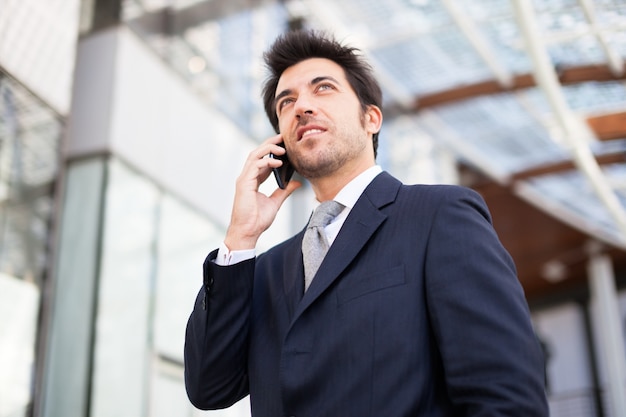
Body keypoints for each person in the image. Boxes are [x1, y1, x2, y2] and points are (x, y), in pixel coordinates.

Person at [184, 29, 549, 417]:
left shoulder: (439, 216)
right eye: (285, 101)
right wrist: (240, 238)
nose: (301, 106)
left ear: (371, 118)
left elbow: (506, 401)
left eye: (322, 88)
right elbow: (210, 387)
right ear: (280, 142)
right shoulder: (265, 270)